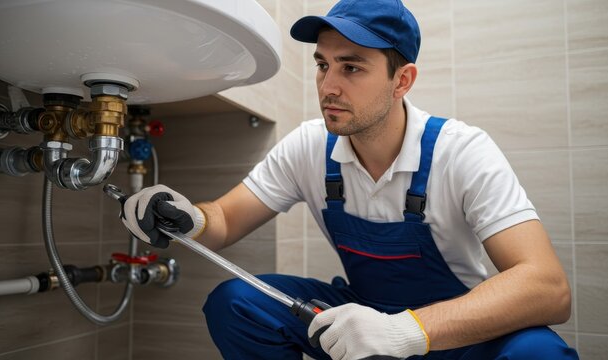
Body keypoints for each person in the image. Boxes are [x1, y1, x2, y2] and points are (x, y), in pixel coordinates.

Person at [121, 0, 579, 359]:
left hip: (453, 333)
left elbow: (548, 288)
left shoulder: (460, 151)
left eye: (351, 67)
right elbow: (222, 220)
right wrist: (182, 214)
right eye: (323, 64)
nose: (327, 86)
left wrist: (405, 331)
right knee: (237, 302)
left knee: (538, 351)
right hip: (361, 317)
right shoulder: (309, 146)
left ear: (402, 81)